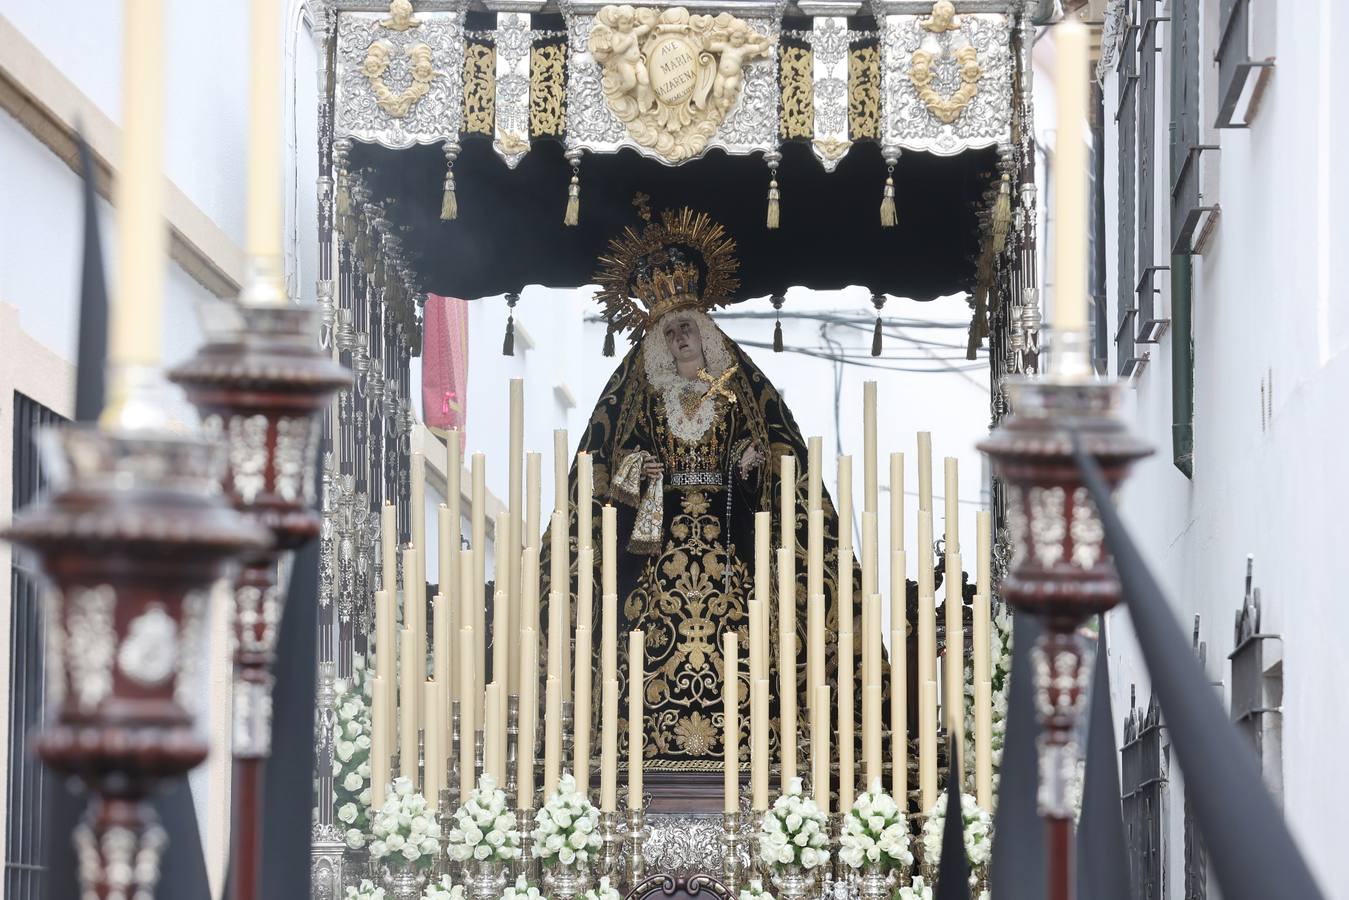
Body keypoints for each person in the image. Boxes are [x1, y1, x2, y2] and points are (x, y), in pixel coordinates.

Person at [539, 206, 867, 775]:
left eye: (687, 326)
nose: (679, 337)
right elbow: (598, 472)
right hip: (657, 554)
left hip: (730, 549)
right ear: (658, 345)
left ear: (706, 331)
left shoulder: (741, 390)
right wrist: (633, 472)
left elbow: (785, 458)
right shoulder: (639, 395)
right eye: (669, 332)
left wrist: (754, 465)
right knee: (635, 639)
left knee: (749, 636)